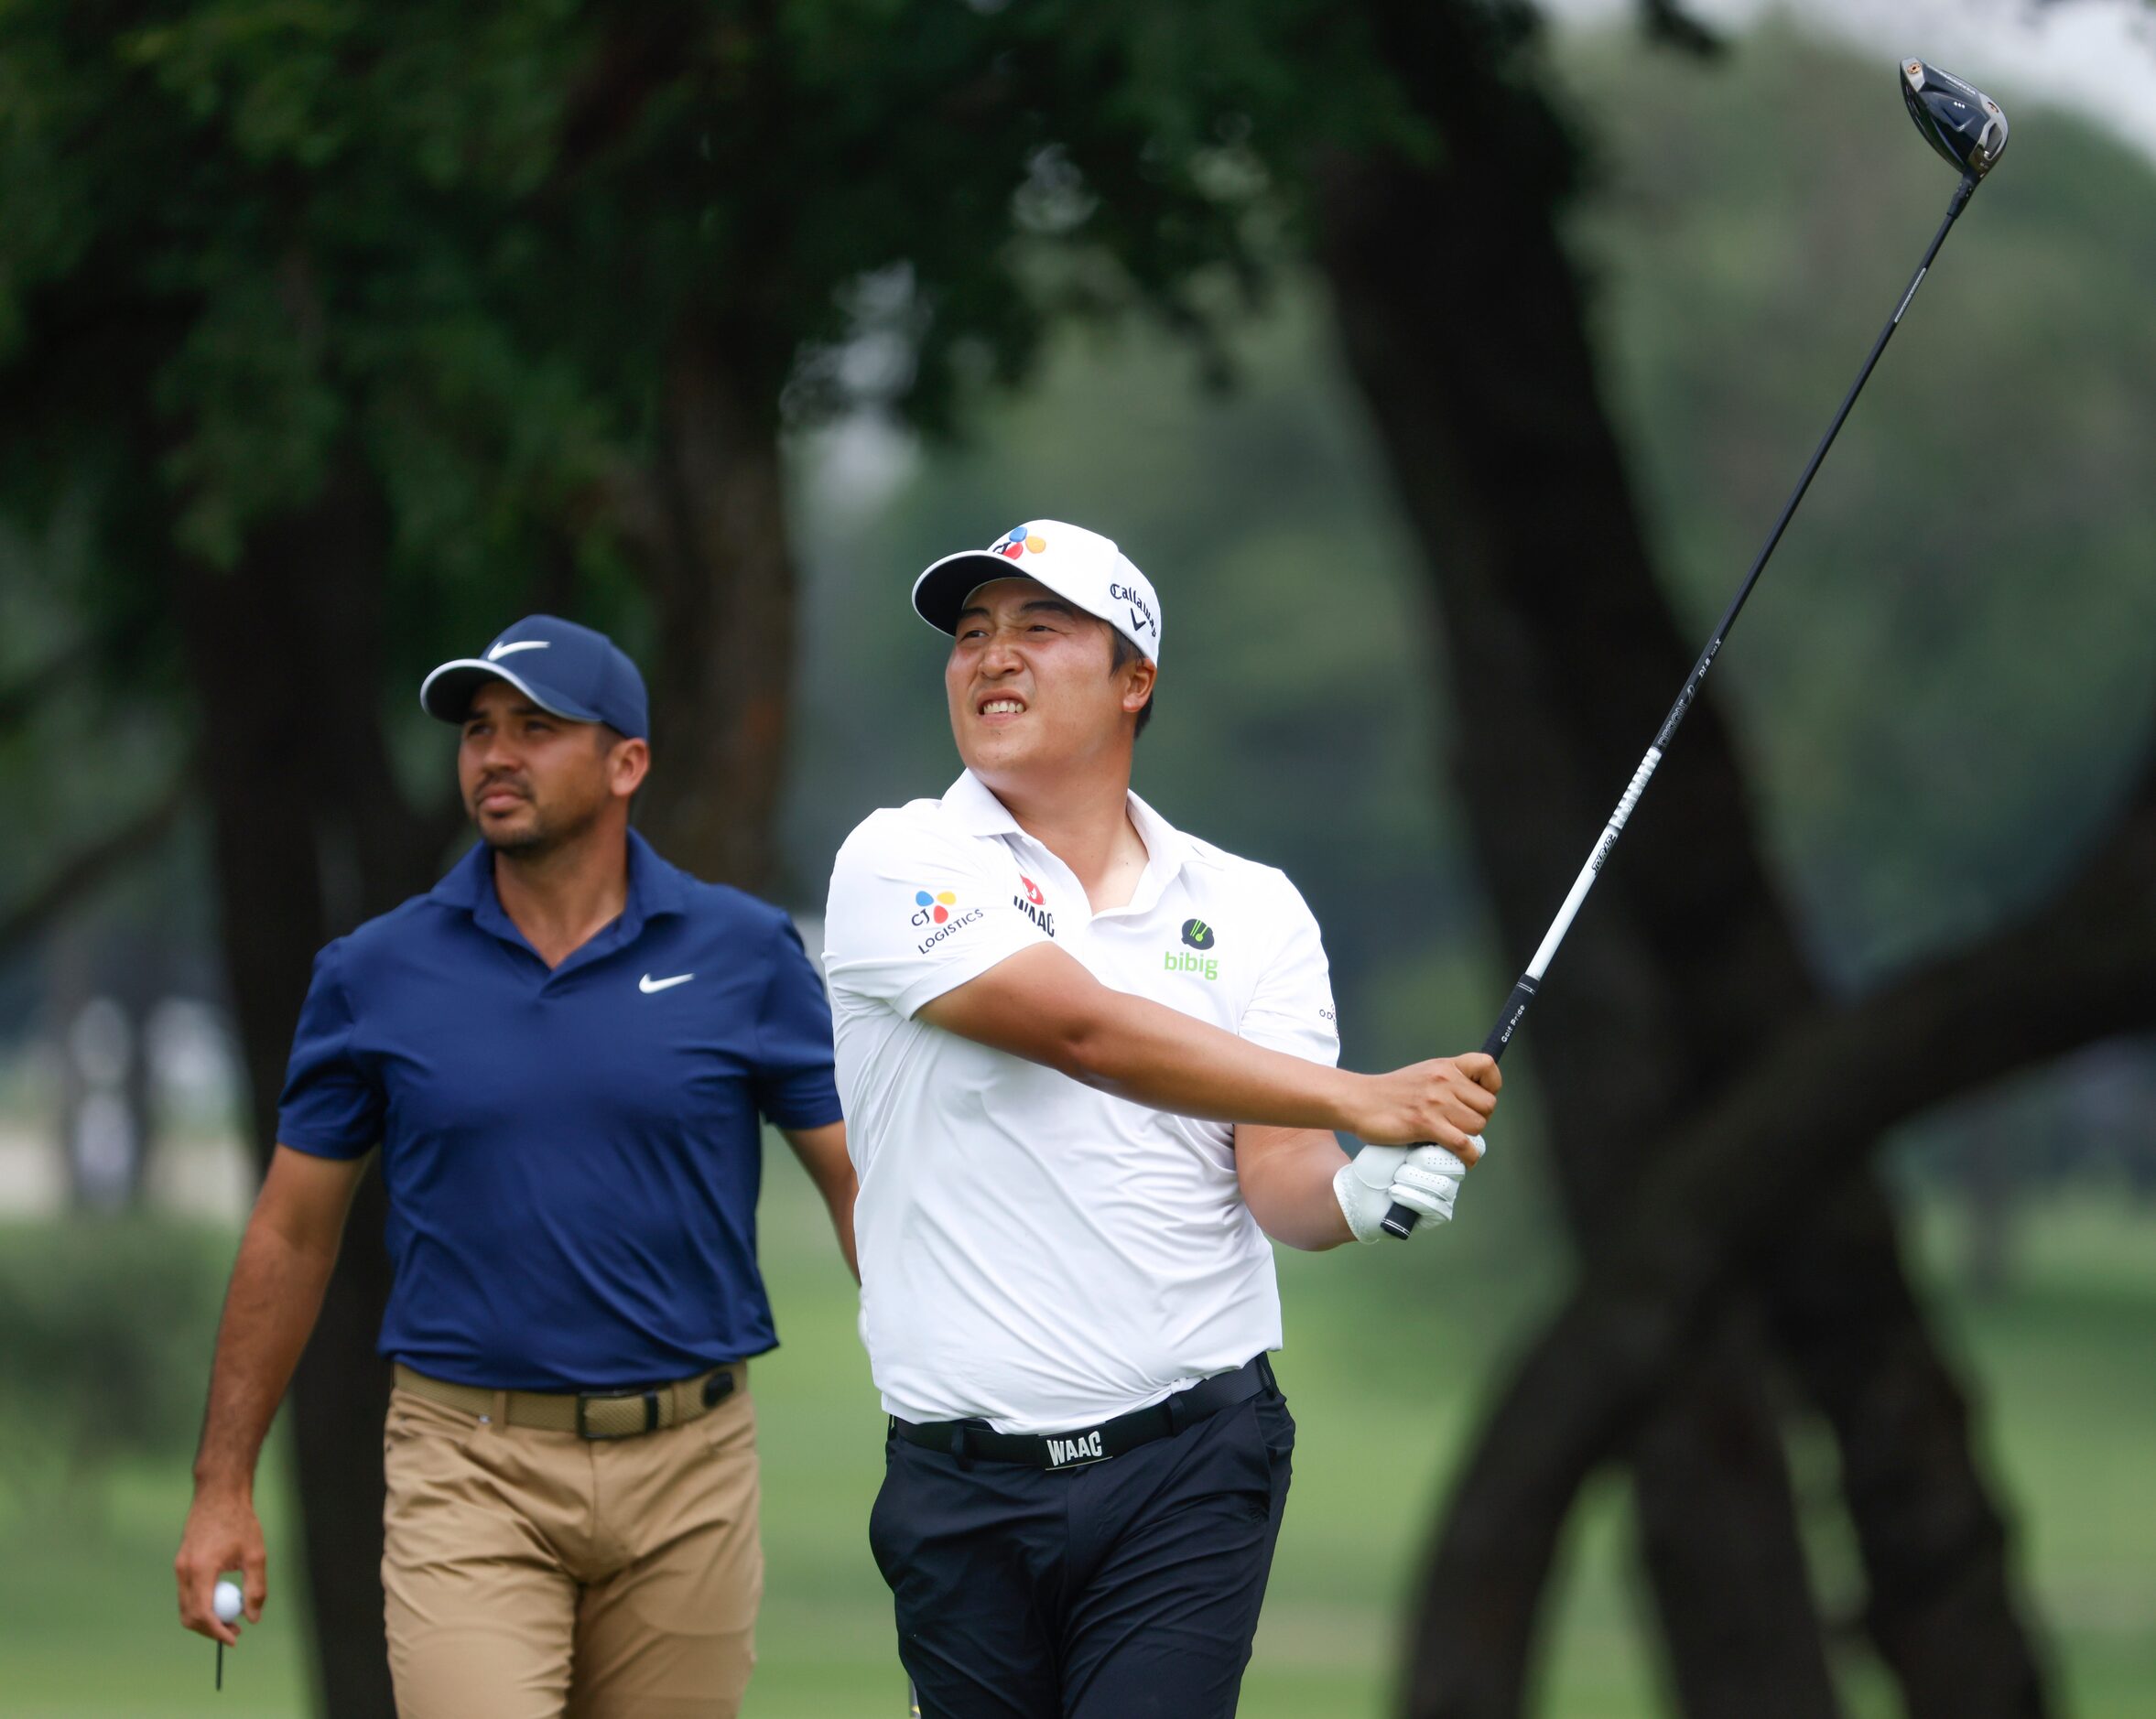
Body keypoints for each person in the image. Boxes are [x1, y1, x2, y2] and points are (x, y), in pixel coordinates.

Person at [822, 521, 1501, 1717]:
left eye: (1039, 629)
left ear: (1134, 679)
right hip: (958, 1483)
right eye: (971, 634)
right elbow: (1082, 1031)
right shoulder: (897, 861)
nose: (992, 656)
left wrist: (1359, 1188)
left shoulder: (1250, 907)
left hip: (1186, 1464)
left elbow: (1279, 1174)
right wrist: (1363, 1097)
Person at [174, 615, 856, 1719]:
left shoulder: (744, 954)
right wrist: (221, 1487)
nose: (495, 754)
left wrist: (953, 1404)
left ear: (626, 762)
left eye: (536, 728)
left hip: (692, 1465)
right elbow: (293, 1231)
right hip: (468, 1462)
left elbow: (854, 1184)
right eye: (479, 730)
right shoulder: (375, 972)